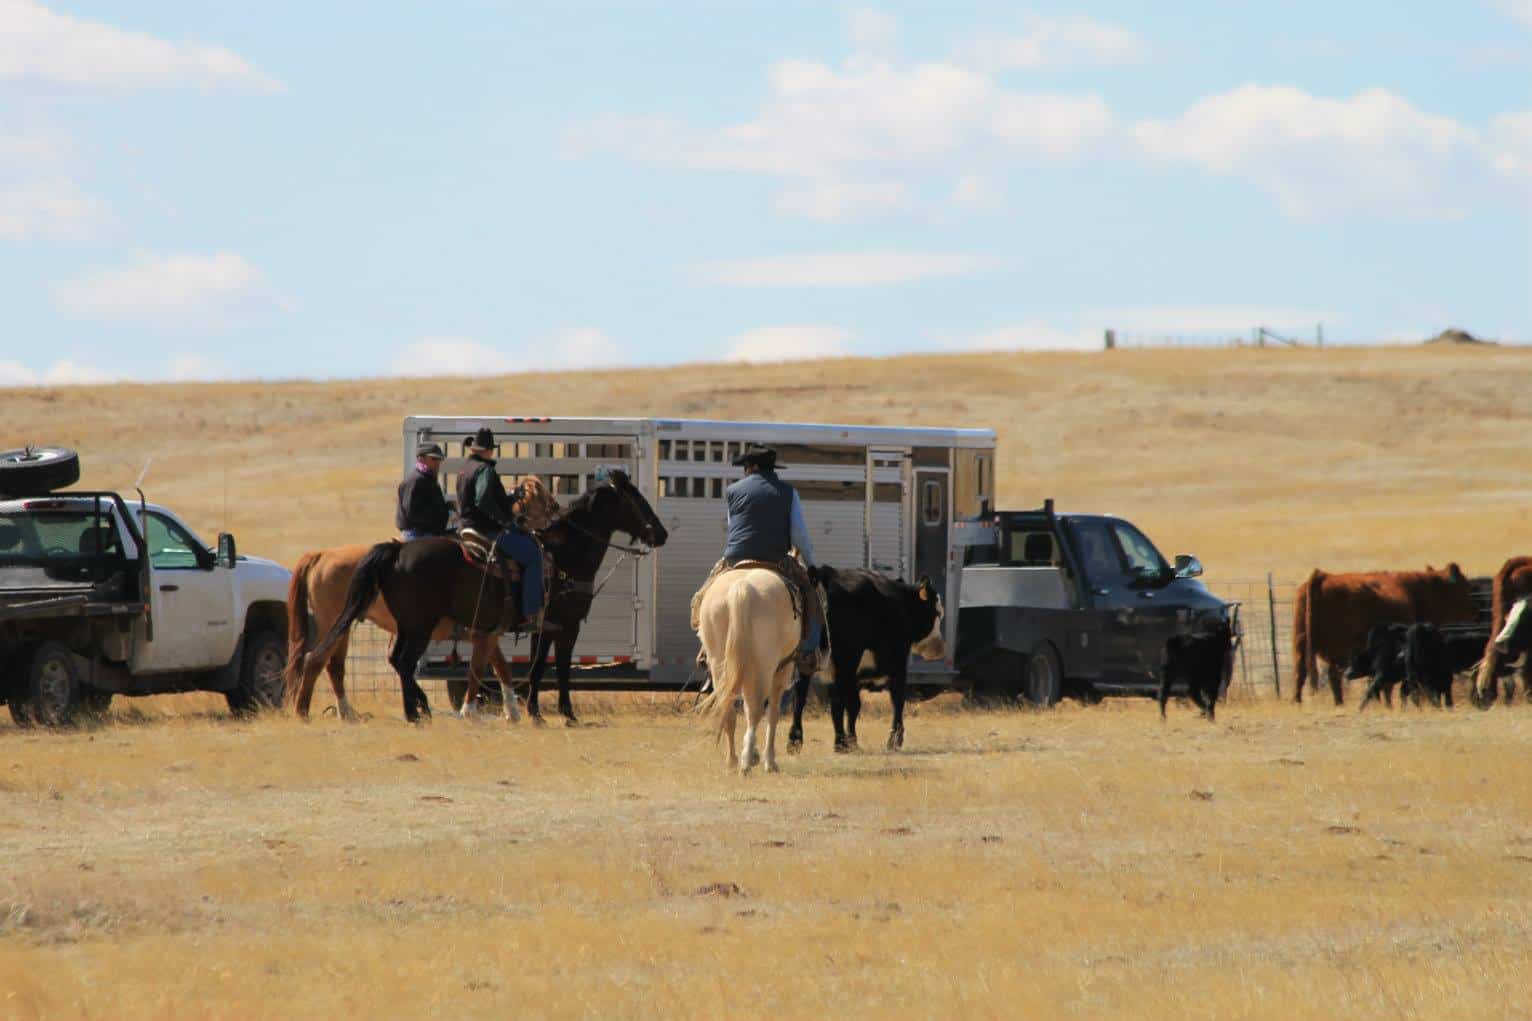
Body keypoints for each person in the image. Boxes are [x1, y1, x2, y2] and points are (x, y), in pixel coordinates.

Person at [692, 443, 823, 674]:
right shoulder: (788, 492)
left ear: (751, 468)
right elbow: (799, 535)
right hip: (775, 559)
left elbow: (733, 527)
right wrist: (811, 565)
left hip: (735, 558)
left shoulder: (733, 491)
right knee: (811, 596)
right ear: (771, 469)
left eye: (745, 467)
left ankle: (706, 648)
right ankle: (808, 651)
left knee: (702, 598)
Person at [455, 427, 555, 633]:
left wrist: (511, 496)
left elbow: (485, 499)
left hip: (467, 527)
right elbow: (482, 499)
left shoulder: (465, 468)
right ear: (488, 450)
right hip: (487, 530)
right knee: (533, 554)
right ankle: (531, 614)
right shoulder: (485, 470)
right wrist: (504, 522)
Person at [396, 442, 450, 540]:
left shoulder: (427, 479)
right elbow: (412, 512)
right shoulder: (415, 481)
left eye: (439, 459)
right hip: (418, 534)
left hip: (425, 533)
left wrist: (447, 507)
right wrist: (439, 516)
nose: (438, 463)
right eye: (434, 459)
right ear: (421, 458)